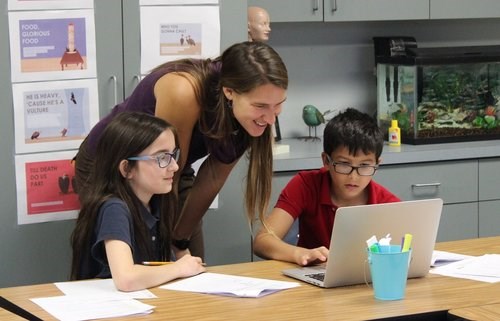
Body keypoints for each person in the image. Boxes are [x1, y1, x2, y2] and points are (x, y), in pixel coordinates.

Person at [74, 41, 288, 261]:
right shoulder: (184, 90)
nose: (271, 118)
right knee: (137, 258)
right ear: (229, 92)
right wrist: (167, 250)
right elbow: (167, 168)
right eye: (261, 106)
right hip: (114, 163)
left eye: (279, 104)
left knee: (191, 260)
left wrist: (180, 240)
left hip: (172, 164)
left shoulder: (248, 116)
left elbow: (212, 176)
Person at [70, 112, 206, 291]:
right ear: (127, 168)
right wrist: (179, 267)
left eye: (174, 155)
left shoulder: (158, 202)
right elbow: (126, 279)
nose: (175, 166)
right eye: (162, 158)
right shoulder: (114, 208)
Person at [253, 108, 400, 266]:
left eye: (364, 166)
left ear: (377, 164)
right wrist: (299, 253)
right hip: (310, 279)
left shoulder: (388, 203)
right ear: (326, 161)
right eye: (344, 164)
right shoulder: (305, 185)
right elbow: (262, 241)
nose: (354, 176)